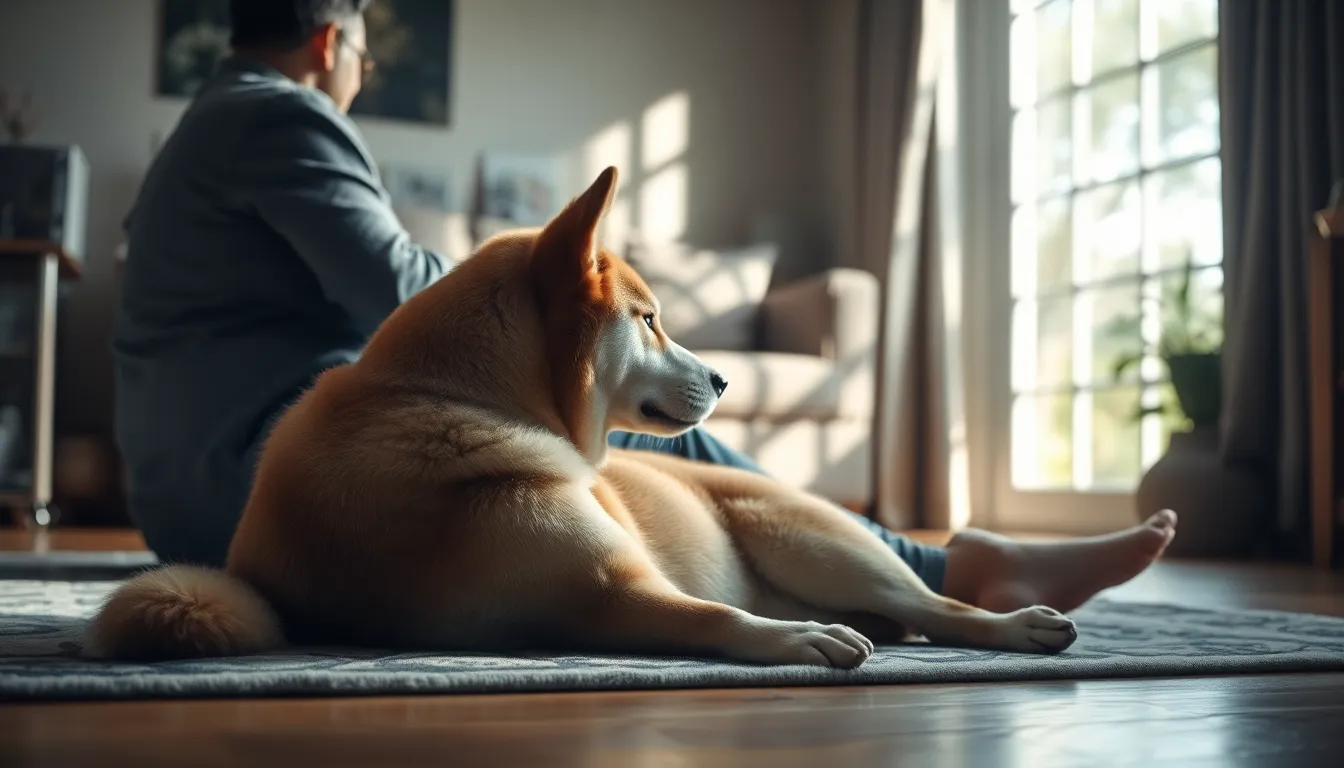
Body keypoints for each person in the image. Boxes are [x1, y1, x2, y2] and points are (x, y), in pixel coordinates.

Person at [113, 0, 1176, 616]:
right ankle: (946, 571)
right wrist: (533, 285)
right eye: (361, 52)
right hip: (285, 491)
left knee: (627, 423)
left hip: (204, 491)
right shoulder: (285, 119)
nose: (362, 69)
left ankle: (920, 571)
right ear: (330, 38)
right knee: (636, 428)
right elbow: (393, 288)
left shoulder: (212, 125)